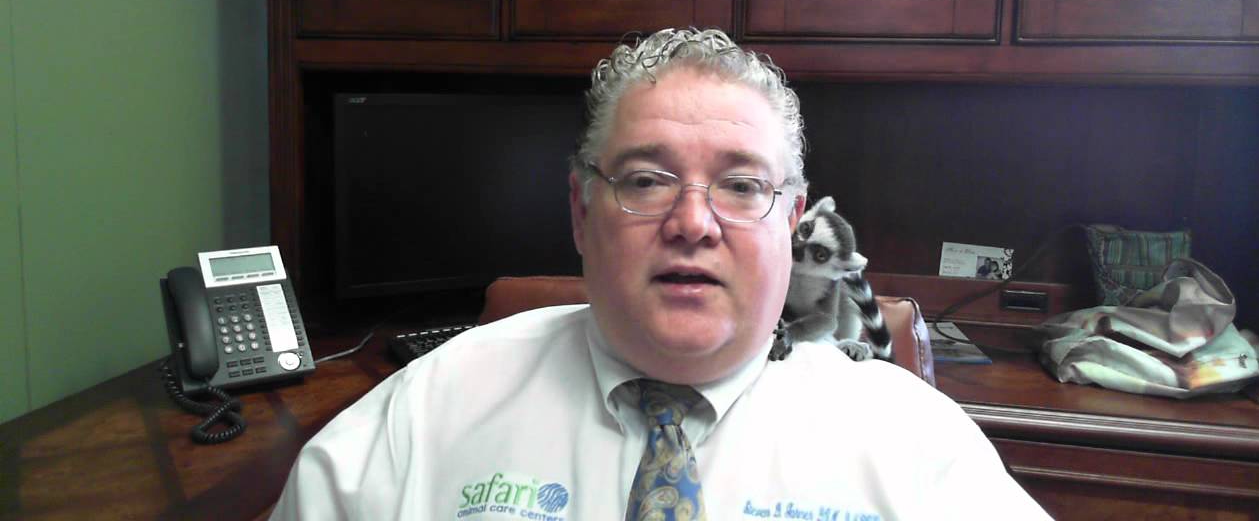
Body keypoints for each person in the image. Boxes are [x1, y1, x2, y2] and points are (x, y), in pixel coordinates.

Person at [270, 28, 1049, 520]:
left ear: (791, 221)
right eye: (646, 180)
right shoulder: (425, 414)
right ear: (582, 212)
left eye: (741, 185)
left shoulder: (914, 446)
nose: (693, 222)